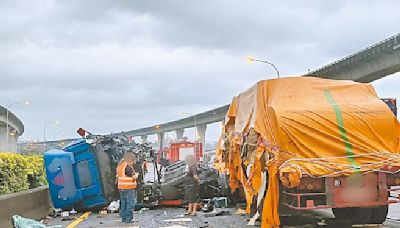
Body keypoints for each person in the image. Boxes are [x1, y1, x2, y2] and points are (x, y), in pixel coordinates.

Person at [116, 152, 139, 223]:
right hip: (128, 187)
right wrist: (137, 174)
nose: (133, 163)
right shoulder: (127, 167)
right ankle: (128, 219)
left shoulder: (120, 166)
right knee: (130, 203)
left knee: (124, 203)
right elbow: (133, 176)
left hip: (121, 188)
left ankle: (124, 218)